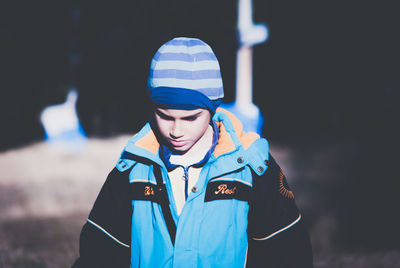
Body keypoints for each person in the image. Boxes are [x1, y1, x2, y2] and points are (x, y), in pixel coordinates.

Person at [72, 37, 313, 268]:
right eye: (165, 116)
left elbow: (288, 255)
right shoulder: (133, 169)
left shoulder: (252, 168)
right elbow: (99, 255)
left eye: (190, 118)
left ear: (213, 107)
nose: (176, 130)